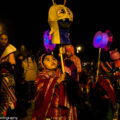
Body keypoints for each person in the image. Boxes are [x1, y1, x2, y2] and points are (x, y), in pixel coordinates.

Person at [32, 53, 77, 120]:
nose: (52, 61)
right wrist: (57, 81)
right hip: (49, 110)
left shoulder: (61, 73)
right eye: (48, 60)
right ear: (42, 64)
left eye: (53, 59)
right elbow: (40, 89)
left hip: (60, 110)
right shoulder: (42, 76)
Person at [0, 32, 17, 116]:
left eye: (5, 39)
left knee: (8, 99)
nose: (3, 41)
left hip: (6, 78)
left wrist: (8, 66)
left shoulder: (9, 50)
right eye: (2, 39)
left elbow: (12, 65)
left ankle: (8, 116)